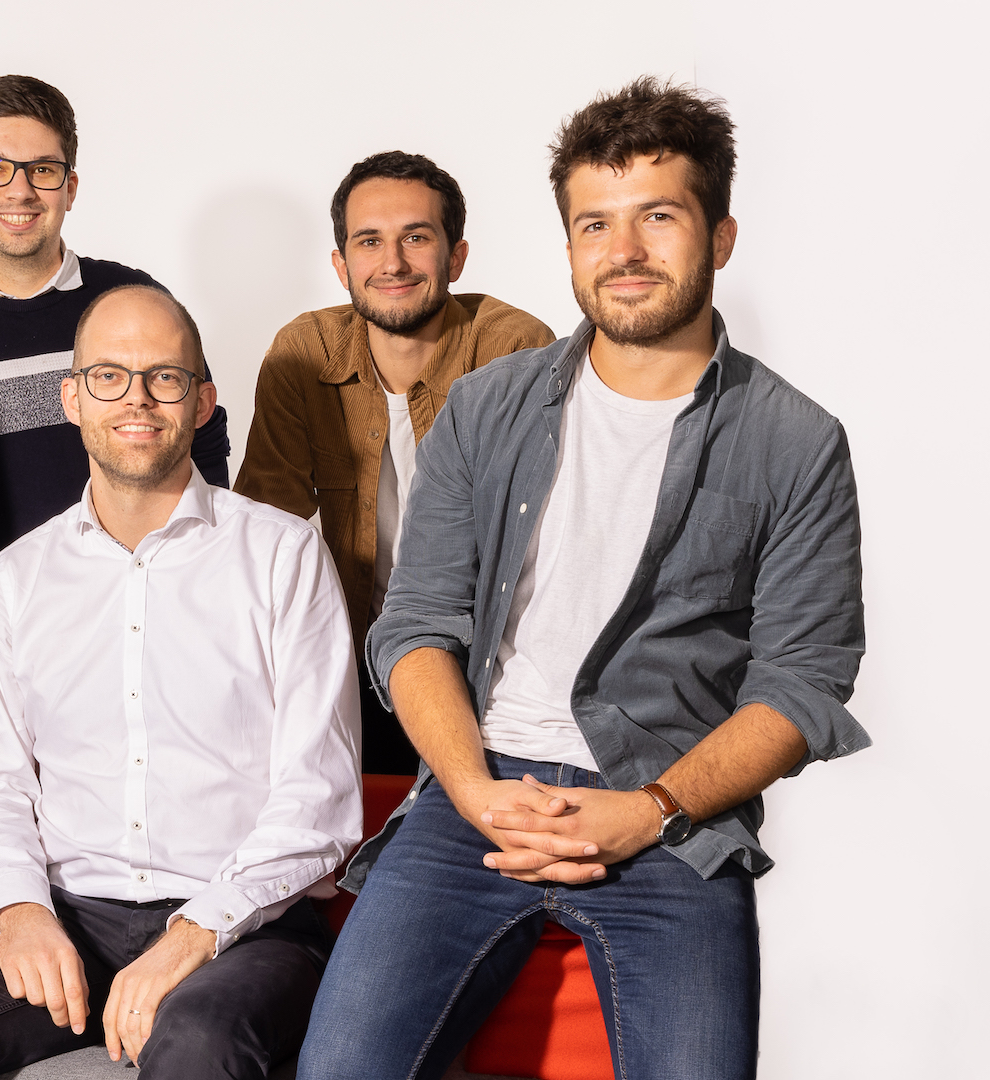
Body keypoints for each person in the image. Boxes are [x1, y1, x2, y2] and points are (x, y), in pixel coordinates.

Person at [296, 78, 867, 1080]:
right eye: (596, 224)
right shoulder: (486, 408)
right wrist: (473, 791)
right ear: (568, 245)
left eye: (659, 217)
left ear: (722, 237)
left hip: (671, 819)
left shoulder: (797, 441)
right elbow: (416, 624)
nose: (625, 251)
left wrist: (648, 810)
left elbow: (802, 684)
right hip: (476, 794)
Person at [0, 286, 363, 1080]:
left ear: (202, 403)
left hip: (244, 926)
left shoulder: (282, 555)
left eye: (165, 377)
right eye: (109, 376)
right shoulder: (21, 574)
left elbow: (319, 799)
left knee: (198, 1041)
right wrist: (21, 910)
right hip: (71, 913)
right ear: (73, 399)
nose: (137, 399)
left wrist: (192, 936)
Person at [235, 151, 553, 777]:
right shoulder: (306, 353)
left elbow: (543, 542)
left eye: (416, 237)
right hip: (347, 659)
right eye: (369, 241)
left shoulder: (515, 350)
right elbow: (262, 527)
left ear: (456, 257)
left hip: (486, 665)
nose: (392, 263)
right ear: (341, 265)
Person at [0, 74, 231, 559]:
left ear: (70, 187)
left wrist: (204, 563)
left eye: (42, 169)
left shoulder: (131, 301)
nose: (19, 191)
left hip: (148, 585)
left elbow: (201, 441)